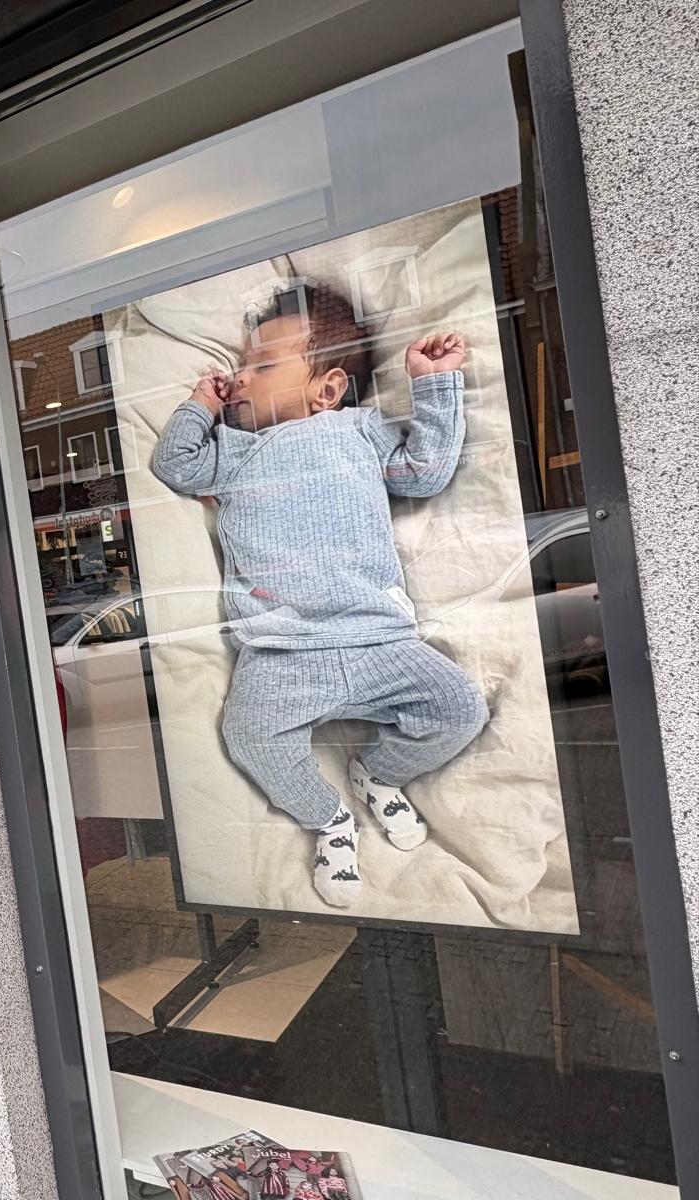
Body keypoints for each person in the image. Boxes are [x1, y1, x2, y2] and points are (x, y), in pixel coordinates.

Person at [152, 282, 488, 907]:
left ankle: (378, 774)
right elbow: (174, 465)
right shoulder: (234, 451)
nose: (240, 378)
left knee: (460, 708)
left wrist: (434, 385)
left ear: (327, 390)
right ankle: (328, 820)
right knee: (249, 735)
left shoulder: (359, 431)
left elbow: (426, 472)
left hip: (378, 638)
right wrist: (201, 404)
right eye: (242, 365)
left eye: (261, 366)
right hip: (281, 650)